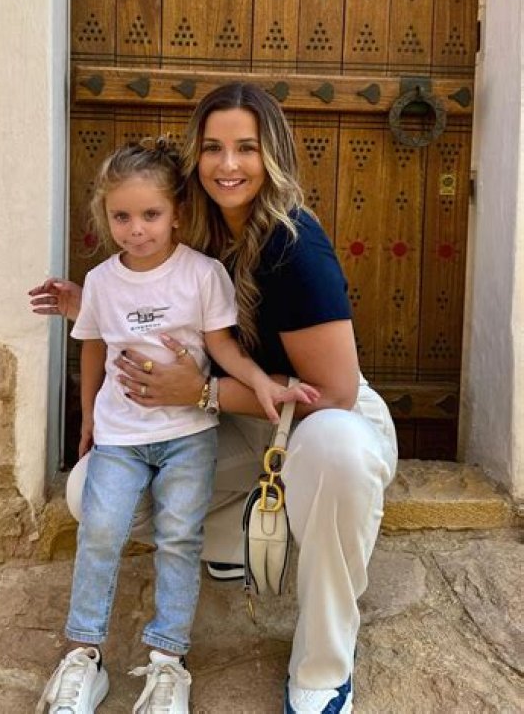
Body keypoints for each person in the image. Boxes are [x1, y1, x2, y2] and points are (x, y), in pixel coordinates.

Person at [30, 83, 398, 714]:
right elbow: (157, 310)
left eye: (246, 148)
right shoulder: (191, 230)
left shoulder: (294, 246)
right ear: (195, 156)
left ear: (272, 155)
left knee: (337, 452)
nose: (229, 164)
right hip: (228, 414)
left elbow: (334, 393)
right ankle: (232, 542)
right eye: (213, 148)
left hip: (318, 415)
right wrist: (91, 307)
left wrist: (201, 390)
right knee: (91, 491)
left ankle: (322, 662)